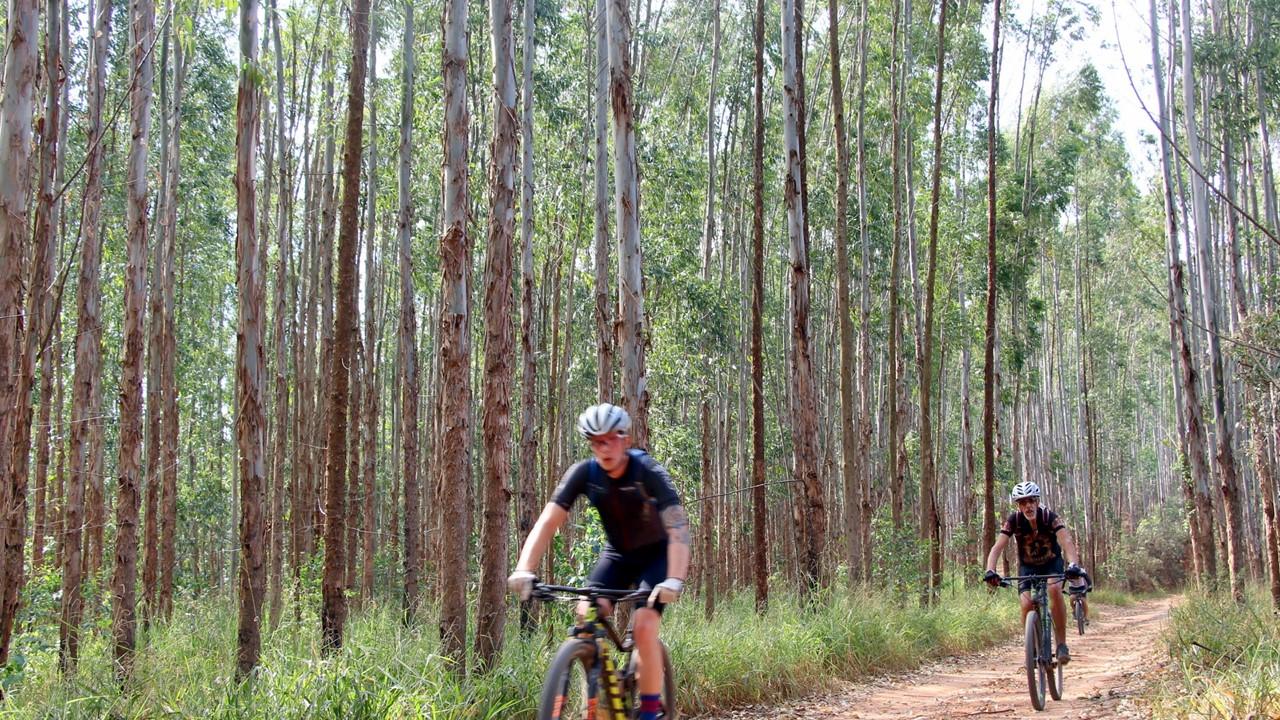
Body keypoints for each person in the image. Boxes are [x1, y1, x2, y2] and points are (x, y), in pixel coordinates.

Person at [508, 403, 690, 720]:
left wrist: (674, 578)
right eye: (596, 441)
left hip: (657, 556)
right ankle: (594, 699)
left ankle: (649, 711)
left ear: (625, 439)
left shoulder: (647, 470)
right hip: (618, 555)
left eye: (610, 439)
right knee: (585, 614)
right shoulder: (584, 473)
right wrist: (525, 568)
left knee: (645, 627)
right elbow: (548, 522)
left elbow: (677, 528)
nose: (603, 448)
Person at [983, 481, 1088, 664]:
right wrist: (990, 570)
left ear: (1037, 502)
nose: (1028, 506)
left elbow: (1066, 541)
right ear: (1018, 505)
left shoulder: (1049, 517)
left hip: (1051, 564)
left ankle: (1062, 644)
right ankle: (1030, 648)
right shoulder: (1014, 520)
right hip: (1028, 566)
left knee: (1054, 590)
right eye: (1023, 502)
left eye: (1031, 501)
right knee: (1026, 604)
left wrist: (1073, 564)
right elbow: (997, 547)